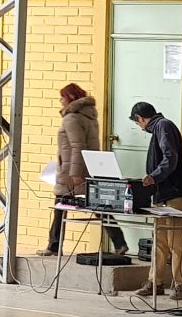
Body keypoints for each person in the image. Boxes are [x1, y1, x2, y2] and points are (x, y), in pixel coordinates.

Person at [37, 83, 127, 258]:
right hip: (91, 167)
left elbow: (78, 147)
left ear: (70, 98)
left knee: (59, 208)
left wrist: (75, 174)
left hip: (72, 171)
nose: (60, 101)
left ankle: (54, 246)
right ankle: (120, 242)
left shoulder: (71, 119)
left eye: (62, 97)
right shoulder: (90, 117)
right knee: (99, 206)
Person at [129, 102, 182, 300]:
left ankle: (181, 284)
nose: (139, 127)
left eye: (137, 122)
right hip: (162, 193)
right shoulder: (160, 127)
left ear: (140, 118)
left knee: (174, 241)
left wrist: (154, 176)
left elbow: (170, 156)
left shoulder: (163, 126)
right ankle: (155, 282)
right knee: (159, 240)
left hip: (173, 192)